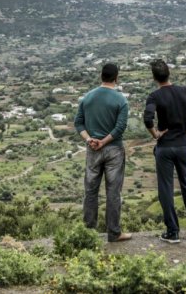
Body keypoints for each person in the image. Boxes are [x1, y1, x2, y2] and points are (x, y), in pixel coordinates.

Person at [144, 59, 186, 243]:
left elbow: (148, 119)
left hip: (165, 147)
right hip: (183, 146)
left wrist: (155, 134)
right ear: (169, 73)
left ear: (154, 78)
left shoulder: (154, 96)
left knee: (165, 189)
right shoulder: (185, 91)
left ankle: (173, 232)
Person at [74, 63, 132, 242]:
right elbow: (120, 127)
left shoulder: (87, 97)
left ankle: (88, 233)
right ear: (116, 77)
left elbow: (78, 123)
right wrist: (104, 141)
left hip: (92, 150)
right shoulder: (121, 100)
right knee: (113, 192)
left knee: (90, 191)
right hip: (114, 150)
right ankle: (114, 233)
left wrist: (89, 140)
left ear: (101, 76)